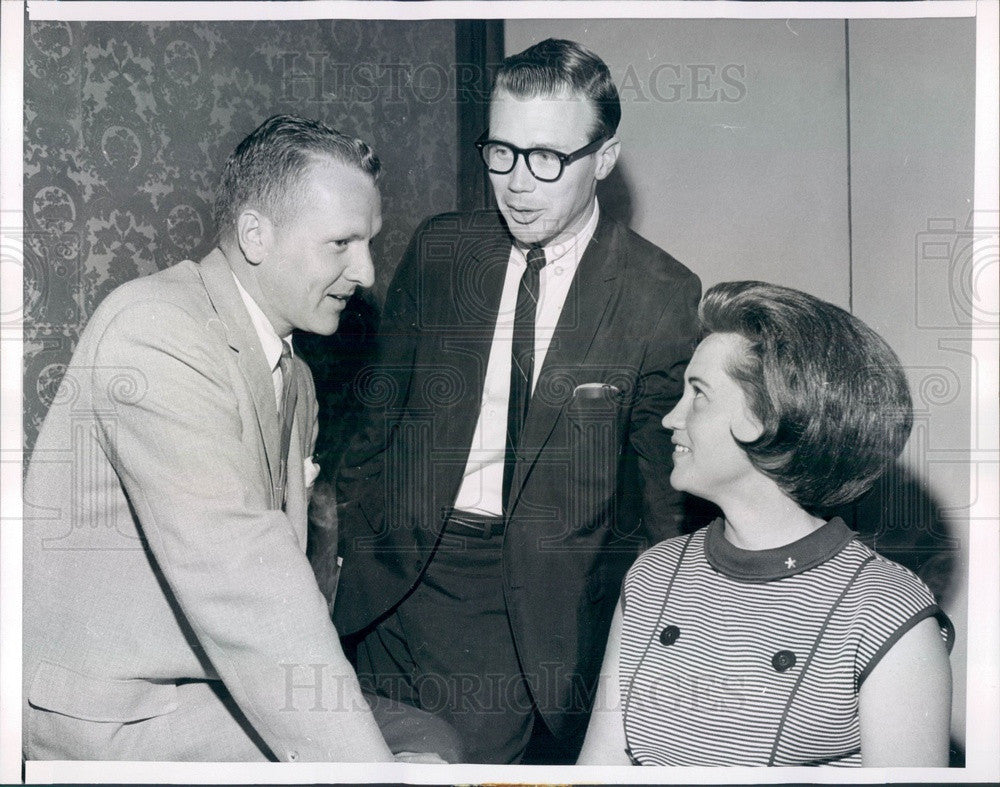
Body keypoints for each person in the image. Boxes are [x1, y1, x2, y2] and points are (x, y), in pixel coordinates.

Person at [22, 115, 458, 763]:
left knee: (432, 741)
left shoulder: (296, 375)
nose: (365, 272)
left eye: (368, 243)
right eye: (340, 243)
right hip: (125, 717)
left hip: (212, 686)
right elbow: (241, 580)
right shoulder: (155, 329)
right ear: (256, 234)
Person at [331, 39, 701, 763]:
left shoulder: (660, 294)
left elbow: (663, 506)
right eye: (499, 152)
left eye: (546, 158)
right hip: (391, 587)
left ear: (604, 157)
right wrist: (354, 534)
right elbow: (376, 422)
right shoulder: (442, 251)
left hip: (527, 611)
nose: (517, 184)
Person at [577, 281, 954, 767]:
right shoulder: (653, 576)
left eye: (698, 395)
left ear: (765, 415)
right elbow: (602, 769)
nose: (671, 418)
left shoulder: (884, 608)